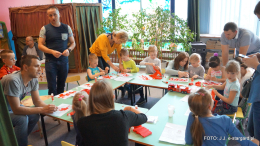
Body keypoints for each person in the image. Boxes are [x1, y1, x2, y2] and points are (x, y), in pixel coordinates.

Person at [1, 55, 57, 146]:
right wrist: (42, 110)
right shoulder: (13, 80)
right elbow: (17, 110)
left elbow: (37, 101)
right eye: (36, 66)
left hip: (10, 108)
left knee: (34, 115)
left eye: (39, 66)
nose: (40, 69)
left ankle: (16, 140)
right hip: (2, 112)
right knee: (22, 119)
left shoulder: (33, 79)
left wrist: (48, 108)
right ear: (25, 67)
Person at [77, 80, 147, 146]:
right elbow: (144, 117)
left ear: (91, 99)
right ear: (113, 98)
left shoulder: (82, 123)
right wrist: (129, 108)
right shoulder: (124, 116)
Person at [185, 88, 257, 146]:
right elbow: (241, 140)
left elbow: (188, 141)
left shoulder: (192, 116)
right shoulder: (225, 120)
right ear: (209, 106)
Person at [38, 6, 76, 95]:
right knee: (51, 87)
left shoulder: (67, 27)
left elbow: (73, 43)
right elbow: (40, 45)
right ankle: (52, 106)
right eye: (50, 15)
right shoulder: (44, 29)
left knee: (61, 85)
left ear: (59, 14)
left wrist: (69, 50)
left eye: (55, 14)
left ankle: (60, 106)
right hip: (50, 61)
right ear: (48, 16)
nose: (53, 17)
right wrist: (51, 51)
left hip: (64, 61)